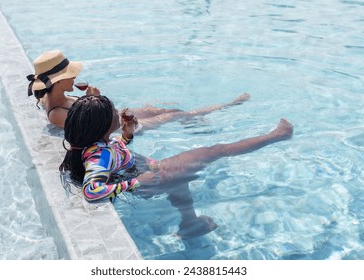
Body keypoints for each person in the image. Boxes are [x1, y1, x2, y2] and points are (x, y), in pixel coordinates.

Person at [60, 95, 294, 239]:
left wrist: (127, 135)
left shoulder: (93, 146)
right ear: (101, 125)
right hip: (152, 175)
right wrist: (136, 183)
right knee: (217, 151)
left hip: (147, 169)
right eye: (113, 112)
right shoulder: (98, 157)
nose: (117, 112)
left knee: (181, 182)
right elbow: (91, 191)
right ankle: (277, 136)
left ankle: (190, 223)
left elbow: (115, 155)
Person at [27, 50, 251, 129]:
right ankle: (230, 105)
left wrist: (91, 100)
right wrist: (95, 100)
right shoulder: (57, 114)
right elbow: (98, 129)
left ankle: (189, 122)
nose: (75, 76)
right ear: (57, 81)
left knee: (166, 108)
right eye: (69, 74)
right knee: (178, 114)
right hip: (119, 127)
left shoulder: (53, 96)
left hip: (118, 117)